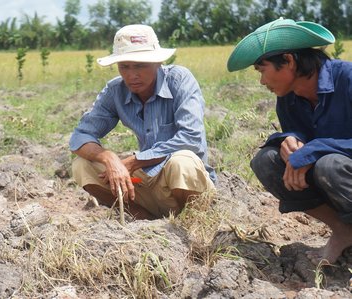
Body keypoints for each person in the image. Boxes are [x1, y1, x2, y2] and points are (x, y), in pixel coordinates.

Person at [227, 18, 352, 264]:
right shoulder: (288, 97)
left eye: (262, 70)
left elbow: (318, 153)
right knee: (267, 161)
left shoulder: (347, 78)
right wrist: (290, 141)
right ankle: (343, 230)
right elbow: (298, 135)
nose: (262, 81)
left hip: (339, 170)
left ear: (288, 61)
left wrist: (313, 150)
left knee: (330, 165)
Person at [69, 24, 216, 220]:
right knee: (82, 165)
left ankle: (192, 223)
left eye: (140, 65)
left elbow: (191, 138)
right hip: (142, 184)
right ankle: (143, 223)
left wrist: (134, 161)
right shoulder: (115, 90)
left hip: (183, 186)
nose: (131, 75)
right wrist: (110, 159)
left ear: (158, 62)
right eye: (124, 66)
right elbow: (80, 136)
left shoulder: (179, 80)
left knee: (183, 162)